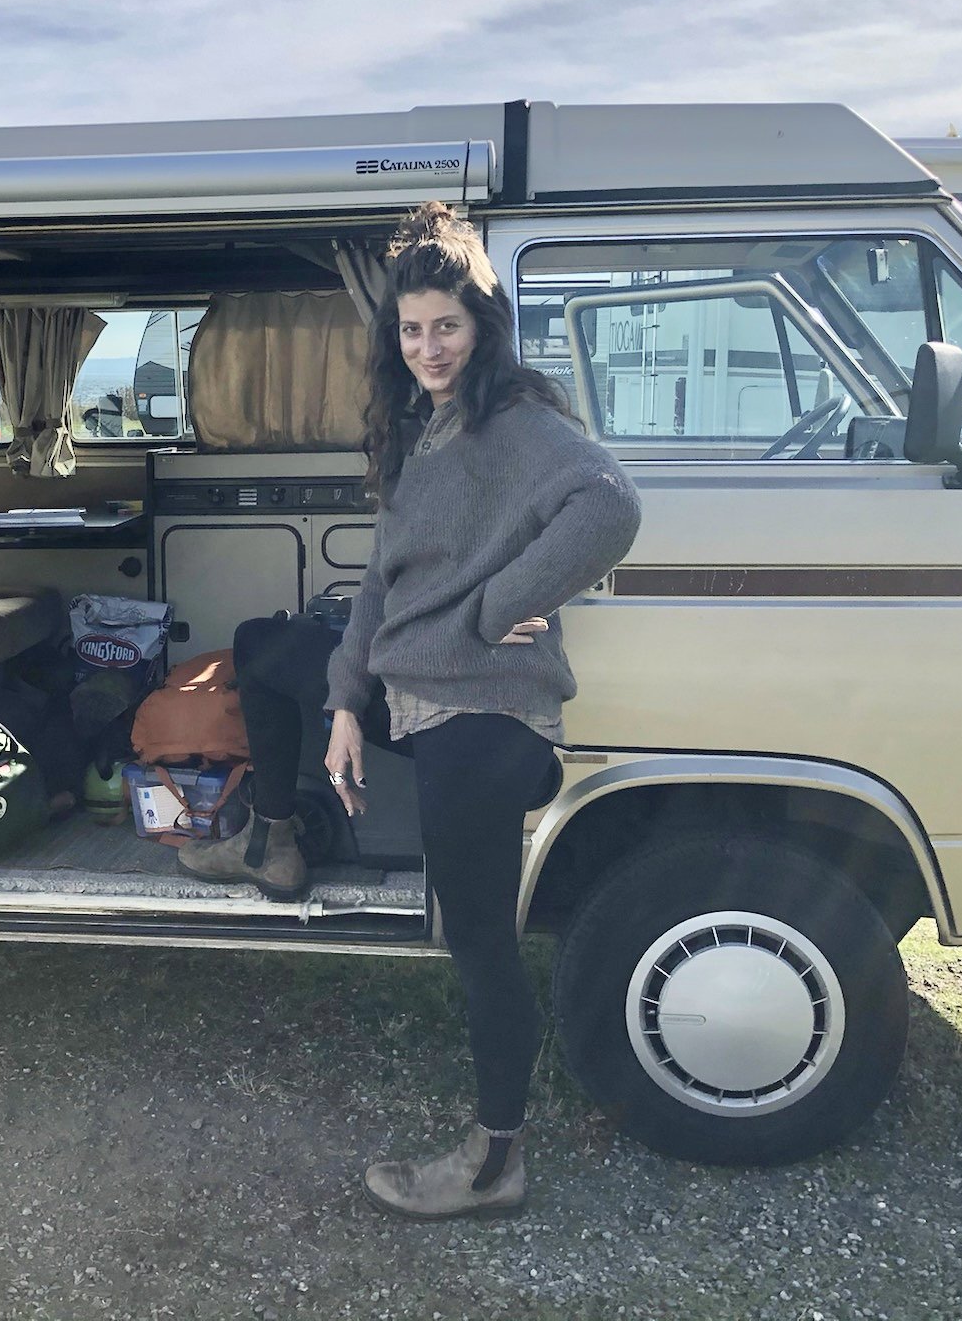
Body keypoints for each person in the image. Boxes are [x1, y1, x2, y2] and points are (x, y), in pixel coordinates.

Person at [180, 201, 641, 1218]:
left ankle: (494, 1161)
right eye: (412, 329)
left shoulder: (514, 421)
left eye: (448, 327)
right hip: (411, 694)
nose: (429, 348)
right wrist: (346, 702)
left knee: (476, 937)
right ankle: (274, 839)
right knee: (265, 650)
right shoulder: (420, 434)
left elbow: (609, 507)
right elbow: (379, 589)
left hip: (486, 716)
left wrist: (494, 607)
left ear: (483, 327)